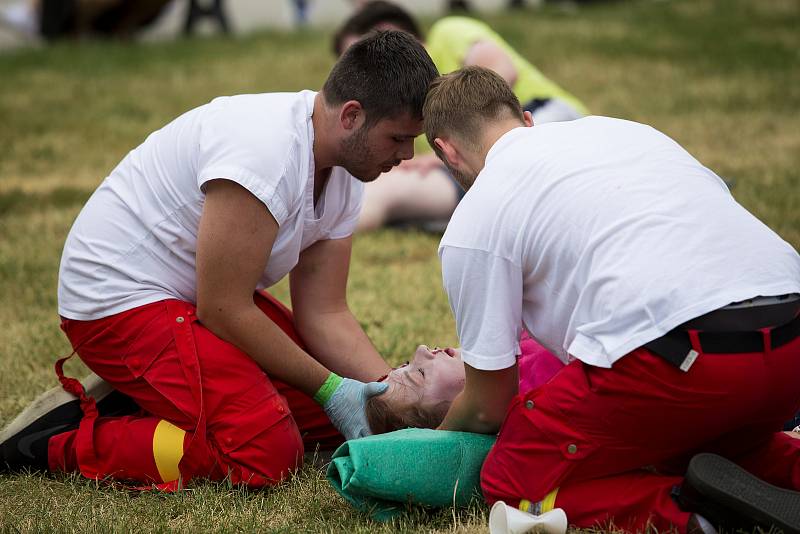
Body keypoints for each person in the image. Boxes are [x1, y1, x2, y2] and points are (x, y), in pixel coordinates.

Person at [0, 30, 439, 490]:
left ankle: (155, 398)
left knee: (333, 423)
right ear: (351, 115)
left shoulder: (349, 169)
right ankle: (60, 440)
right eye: (398, 138)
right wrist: (332, 389)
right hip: (117, 301)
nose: (407, 156)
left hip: (189, 301)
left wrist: (386, 398)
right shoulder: (265, 150)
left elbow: (325, 312)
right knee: (266, 451)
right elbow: (224, 308)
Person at [423, 66, 800, 533]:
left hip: (682, 354)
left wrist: (429, 444)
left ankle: (703, 518)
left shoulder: (475, 219)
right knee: (718, 444)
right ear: (525, 119)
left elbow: (487, 405)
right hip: (788, 340)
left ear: (445, 150)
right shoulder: (623, 130)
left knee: (511, 478)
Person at [332, 1, 589, 232]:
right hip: (473, 162)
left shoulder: (447, 32)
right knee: (389, 189)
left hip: (537, 118)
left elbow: (502, 71)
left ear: (391, 36)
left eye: (364, 59)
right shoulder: (410, 114)